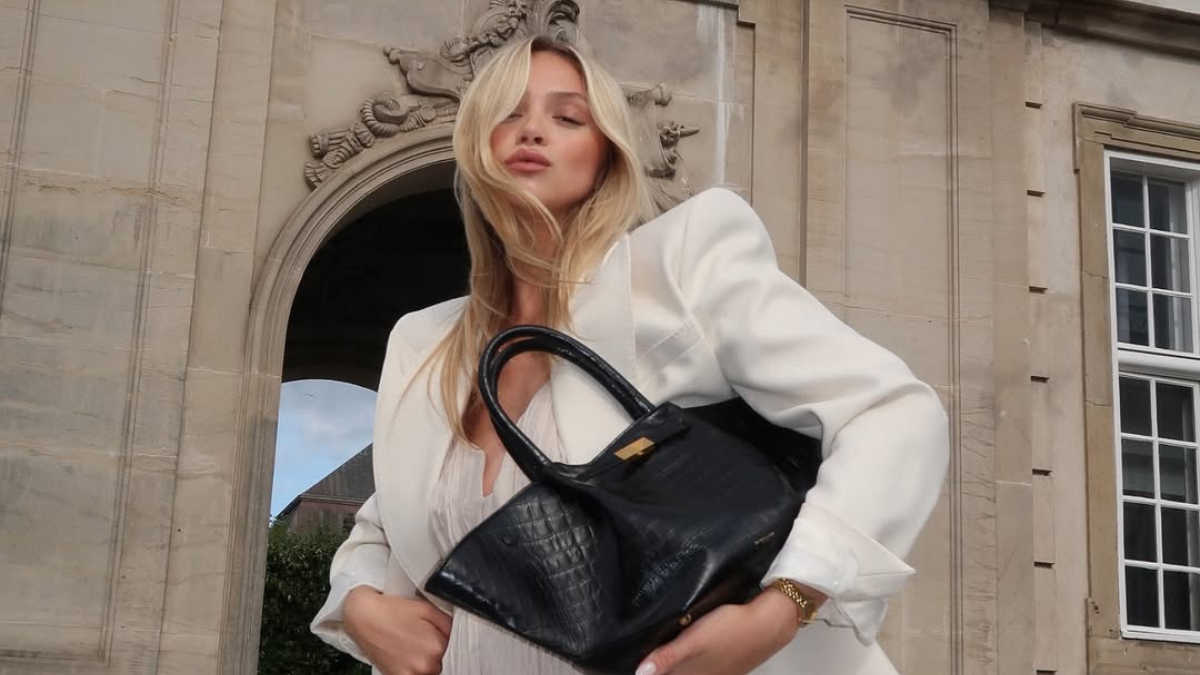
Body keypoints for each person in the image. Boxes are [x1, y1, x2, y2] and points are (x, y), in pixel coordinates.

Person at [311, 35, 949, 675]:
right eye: (508, 113)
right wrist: (358, 605)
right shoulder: (427, 344)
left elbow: (892, 413)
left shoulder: (679, 267)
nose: (532, 129)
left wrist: (784, 607)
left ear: (606, 157)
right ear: (477, 145)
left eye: (567, 117)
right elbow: (384, 524)